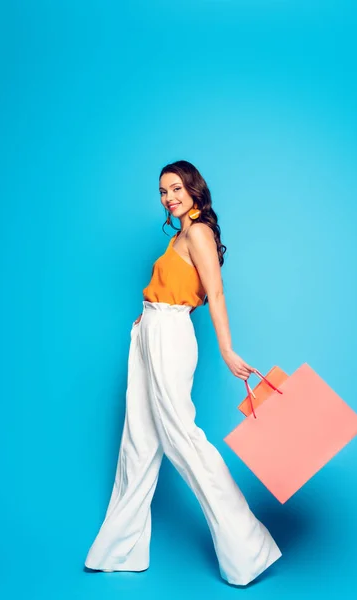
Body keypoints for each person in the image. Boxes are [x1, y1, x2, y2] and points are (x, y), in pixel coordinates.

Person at [84, 160, 282, 586]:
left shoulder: (198, 233)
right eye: (162, 191)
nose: (169, 197)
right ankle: (120, 551)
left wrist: (227, 350)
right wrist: (147, 321)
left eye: (176, 188)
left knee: (182, 438)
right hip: (150, 331)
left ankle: (249, 549)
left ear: (194, 189)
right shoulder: (179, 234)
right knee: (139, 439)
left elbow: (215, 292)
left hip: (171, 335)